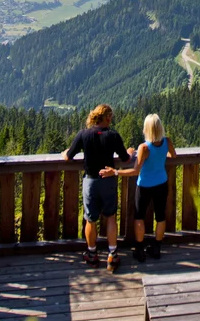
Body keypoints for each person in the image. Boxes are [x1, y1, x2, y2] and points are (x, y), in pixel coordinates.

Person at [63, 104, 133, 270]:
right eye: (111, 117)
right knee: (110, 217)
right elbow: (125, 159)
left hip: (91, 181)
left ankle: (92, 254)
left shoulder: (84, 134)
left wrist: (64, 153)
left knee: (90, 219)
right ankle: (112, 255)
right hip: (108, 180)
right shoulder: (113, 135)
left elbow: (68, 156)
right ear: (107, 118)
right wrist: (131, 151)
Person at [115, 113, 177, 262]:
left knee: (139, 217)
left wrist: (117, 171)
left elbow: (135, 170)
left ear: (146, 129)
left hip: (144, 186)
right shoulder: (167, 141)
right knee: (160, 216)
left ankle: (139, 249)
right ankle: (156, 247)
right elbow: (173, 156)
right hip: (162, 183)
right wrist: (159, 158)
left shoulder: (144, 147)